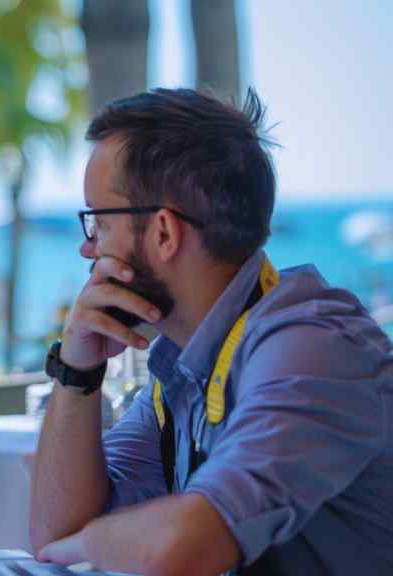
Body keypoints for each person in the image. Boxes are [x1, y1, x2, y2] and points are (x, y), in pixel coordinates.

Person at [29, 88, 393, 575]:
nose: (87, 250)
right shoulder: (182, 366)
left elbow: (184, 545)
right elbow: (57, 533)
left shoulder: (312, 347)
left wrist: (91, 544)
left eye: (97, 222)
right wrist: (77, 372)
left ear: (163, 232)